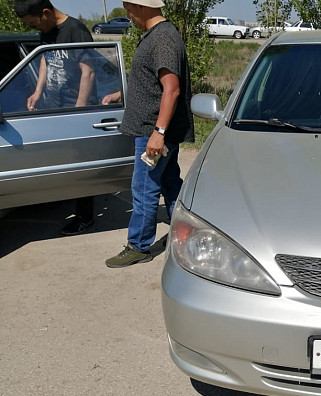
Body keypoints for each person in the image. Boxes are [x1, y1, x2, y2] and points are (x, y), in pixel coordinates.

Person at [104, 0, 194, 268]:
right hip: (156, 129)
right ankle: (187, 232)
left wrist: (159, 133)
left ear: (142, 7)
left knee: (144, 187)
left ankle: (139, 246)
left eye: (129, 10)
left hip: (152, 130)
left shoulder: (163, 37)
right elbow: (151, 79)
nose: (128, 16)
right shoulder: (158, 35)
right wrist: (122, 93)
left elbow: (172, 89)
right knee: (169, 182)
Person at [14, 0, 96, 235]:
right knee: (62, 160)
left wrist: (80, 111)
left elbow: (88, 72)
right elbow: (44, 61)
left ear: (46, 13)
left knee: (80, 165)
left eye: (33, 22)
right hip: (54, 105)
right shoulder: (47, 31)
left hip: (75, 107)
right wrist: (38, 92)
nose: (34, 28)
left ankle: (85, 216)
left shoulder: (76, 30)